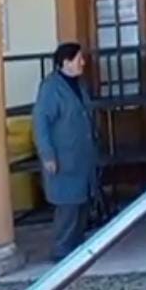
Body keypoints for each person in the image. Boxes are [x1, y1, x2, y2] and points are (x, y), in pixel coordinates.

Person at [33, 43, 97, 262]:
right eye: (79, 59)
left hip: (81, 157)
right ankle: (61, 251)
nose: (83, 63)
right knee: (67, 207)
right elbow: (41, 123)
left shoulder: (79, 84)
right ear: (66, 62)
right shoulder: (51, 88)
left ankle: (76, 250)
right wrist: (47, 154)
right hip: (63, 158)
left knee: (81, 204)